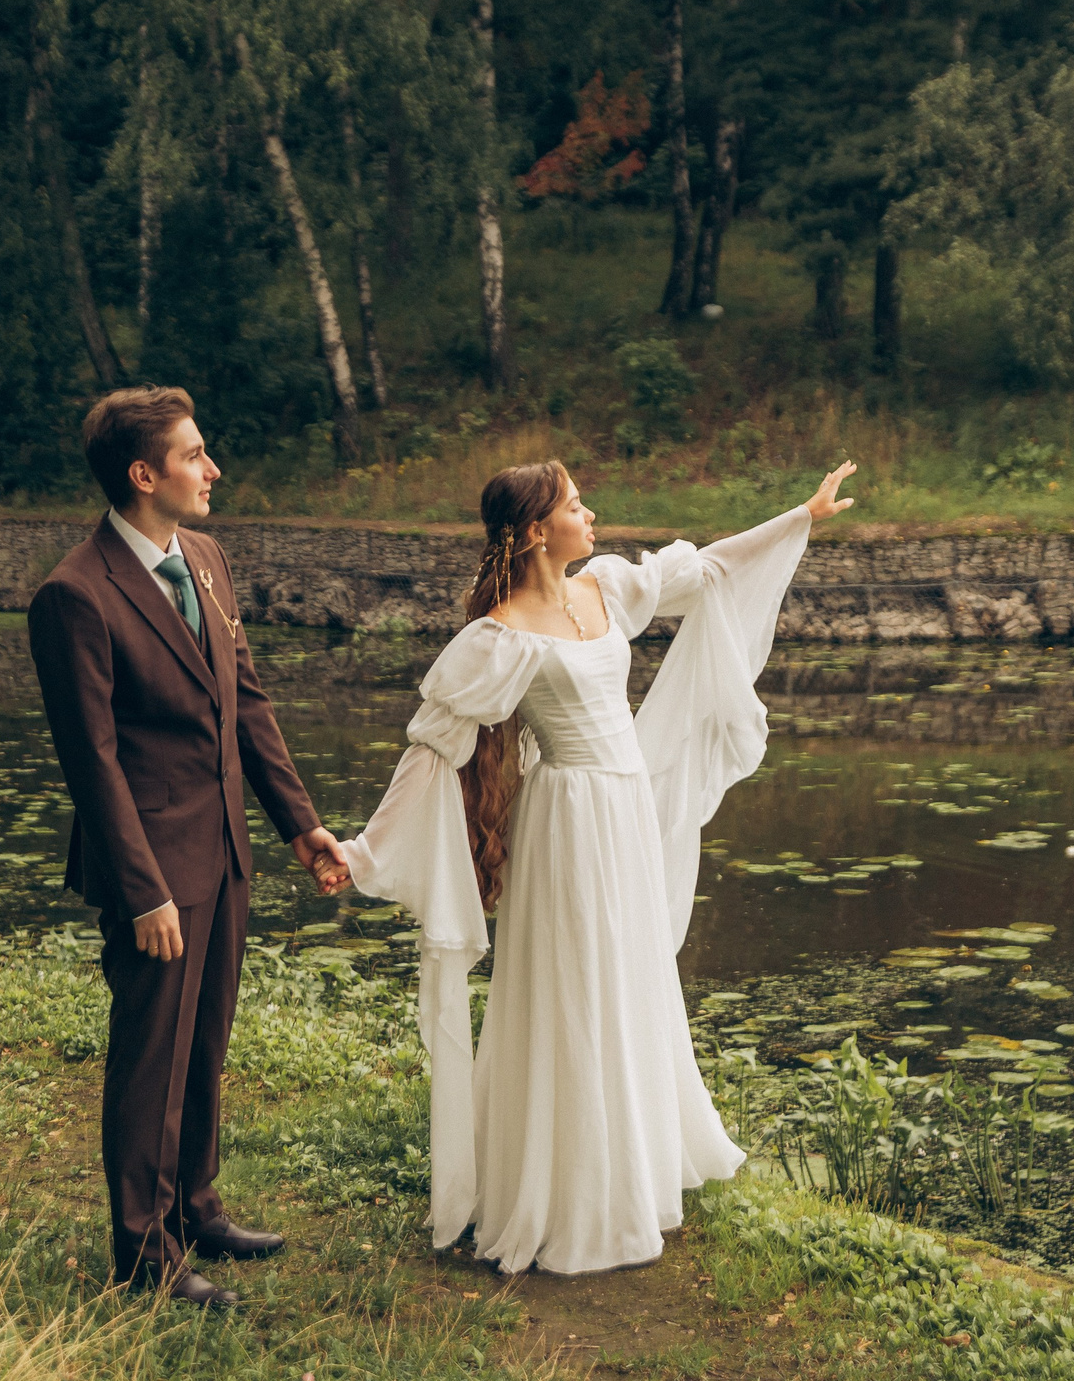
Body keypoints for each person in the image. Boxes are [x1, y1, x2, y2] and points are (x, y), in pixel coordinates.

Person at [337, 458, 855, 1275]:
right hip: (566, 819)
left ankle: (635, 1168)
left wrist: (800, 515)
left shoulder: (606, 588)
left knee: (630, 976)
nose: (593, 513)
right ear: (539, 529)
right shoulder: (499, 635)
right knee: (574, 986)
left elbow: (707, 568)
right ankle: (570, 1191)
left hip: (625, 812)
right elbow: (434, 745)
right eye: (577, 504)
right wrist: (363, 851)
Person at [28, 386, 348, 1311]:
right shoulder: (75, 595)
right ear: (143, 474)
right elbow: (89, 763)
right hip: (154, 873)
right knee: (150, 1055)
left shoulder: (204, 557)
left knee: (203, 1043)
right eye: (195, 455)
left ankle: (197, 1207)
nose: (213, 470)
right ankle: (143, 1252)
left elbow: (244, 700)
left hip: (227, 850)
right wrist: (142, 890)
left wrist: (298, 821)